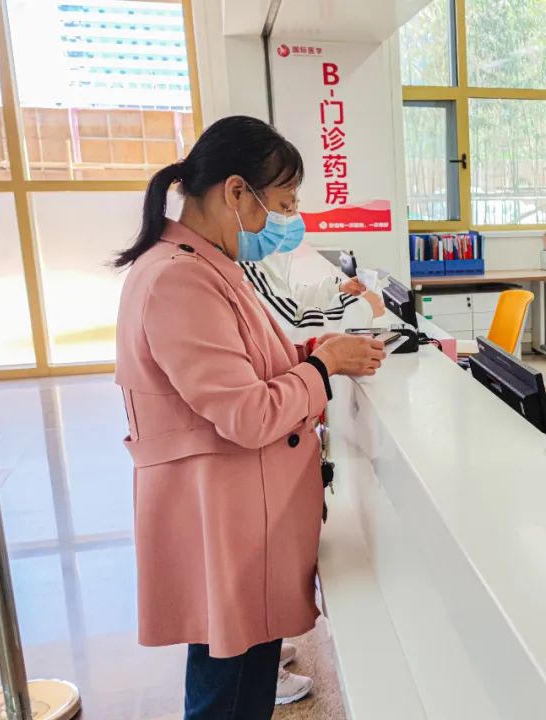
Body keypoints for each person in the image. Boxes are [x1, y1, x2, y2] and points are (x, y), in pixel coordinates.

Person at [113, 115, 386, 719]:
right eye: (281, 206)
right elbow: (246, 413)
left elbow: (243, 366)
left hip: (234, 511)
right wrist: (323, 368)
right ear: (236, 191)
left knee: (237, 677)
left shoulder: (203, 263)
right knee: (231, 692)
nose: (282, 223)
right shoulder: (179, 279)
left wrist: (311, 355)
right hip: (225, 517)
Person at [242, 248, 387, 343]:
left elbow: (288, 300)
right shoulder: (246, 267)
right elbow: (294, 329)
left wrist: (336, 290)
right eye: (287, 211)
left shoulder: (261, 259)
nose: (296, 219)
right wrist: (362, 309)